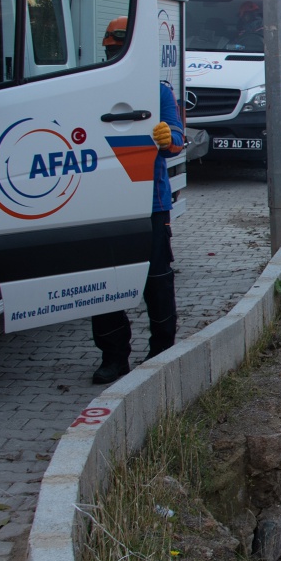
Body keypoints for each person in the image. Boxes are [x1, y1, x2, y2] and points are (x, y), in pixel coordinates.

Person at [91, 47, 186, 383]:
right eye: (112, 50)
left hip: (150, 202)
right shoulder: (94, 88)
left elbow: (177, 137)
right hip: (104, 202)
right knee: (103, 283)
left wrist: (168, 137)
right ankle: (114, 357)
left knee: (157, 280)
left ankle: (162, 351)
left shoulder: (157, 91)